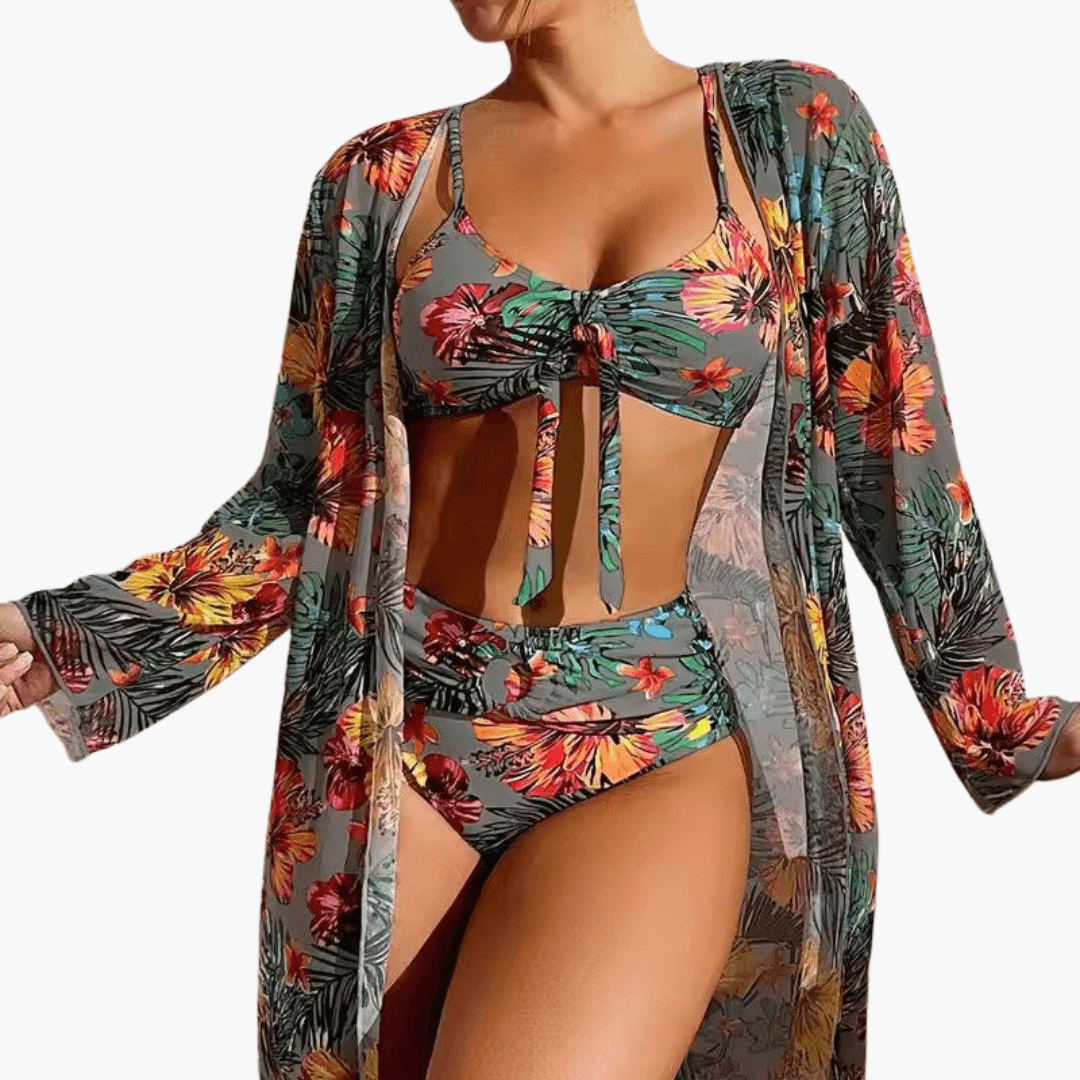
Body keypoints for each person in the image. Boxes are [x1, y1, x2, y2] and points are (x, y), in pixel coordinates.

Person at [3, 2, 1078, 1078]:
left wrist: (996, 716)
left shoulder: (790, 131)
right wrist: (64, 640)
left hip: (652, 733)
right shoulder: (381, 180)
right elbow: (302, 501)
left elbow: (894, 441)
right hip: (398, 734)